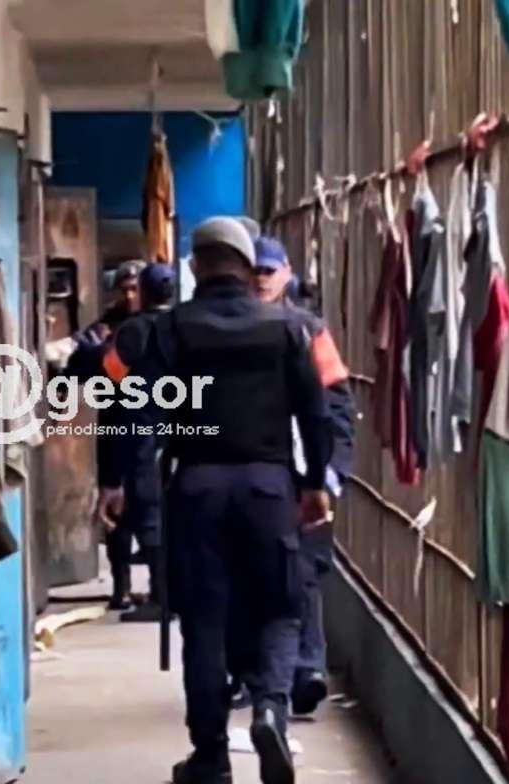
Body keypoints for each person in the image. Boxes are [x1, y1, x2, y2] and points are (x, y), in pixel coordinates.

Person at [113, 217, 334, 784]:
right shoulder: (287, 328)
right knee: (280, 608)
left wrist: (133, 495)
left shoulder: (172, 330)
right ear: (246, 266)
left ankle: (211, 757)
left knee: (204, 623)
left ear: (195, 267)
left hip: (197, 490)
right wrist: (315, 483)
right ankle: (270, 710)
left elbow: (140, 417)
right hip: (269, 489)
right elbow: (316, 413)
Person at [251, 236, 357, 718]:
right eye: (254, 270)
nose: (261, 279)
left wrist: (332, 474)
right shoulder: (236, 330)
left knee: (307, 572)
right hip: (258, 471)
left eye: (268, 271)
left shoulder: (310, 332)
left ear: (286, 274)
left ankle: (308, 669)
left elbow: (339, 407)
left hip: (305, 471)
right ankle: (261, 672)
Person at [97, 263, 179, 622]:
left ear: (144, 292)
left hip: (140, 432)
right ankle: (150, 591)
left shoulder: (132, 331)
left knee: (147, 516)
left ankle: (161, 599)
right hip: (179, 432)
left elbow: (109, 378)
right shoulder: (182, 326)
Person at [65, 260, 146, 609]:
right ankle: (121, 586)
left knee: (154, 510)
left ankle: (162, 590)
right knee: (116, 511)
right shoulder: (108, 325)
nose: (129, 296)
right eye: (124, 289)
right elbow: (79, 366)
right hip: (116, 422)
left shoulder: (161, 325)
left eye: (135, 289)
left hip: (154, 426)